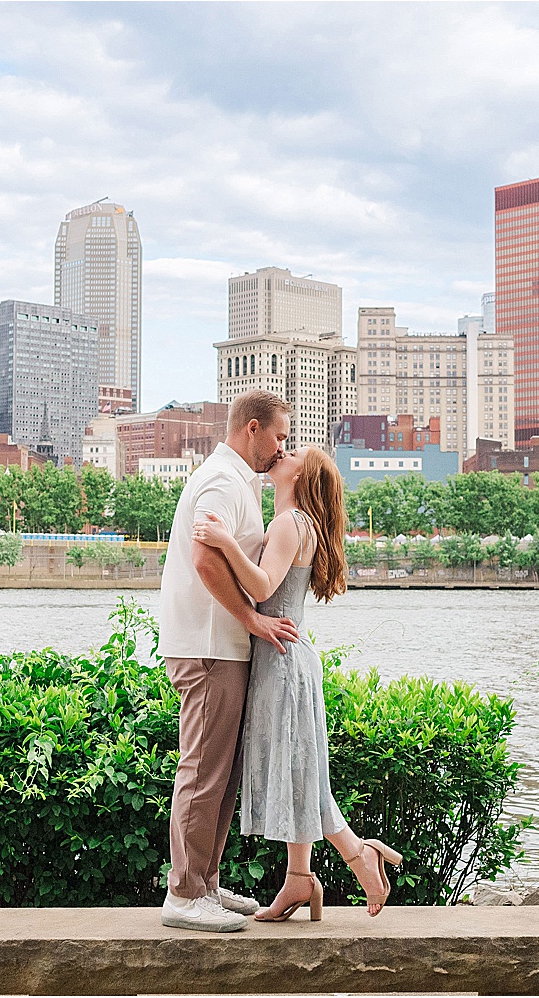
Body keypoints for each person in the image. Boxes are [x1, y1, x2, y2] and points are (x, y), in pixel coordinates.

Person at [192, 445, 402, 923]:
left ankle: (357, 855)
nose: (281, 453)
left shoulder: (289, 524)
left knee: (299, 769)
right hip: (287, 659)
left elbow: (263, 588)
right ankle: (298, 878)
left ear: (303, 475)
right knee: (298, 765)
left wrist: (224, 541)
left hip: (282, 662)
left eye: (293, 452)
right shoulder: (300, 522)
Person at [157, 390, 301, 933]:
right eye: (280, 436)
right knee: (202, 768)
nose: (281, 447)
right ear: (253, 429)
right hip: (208, 643)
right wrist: (253, 620)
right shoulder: (221, 480)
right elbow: (202, 557)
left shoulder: (238, 482)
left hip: (218, 644)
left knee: (221, 770)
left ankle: (206, 885)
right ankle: (185, 893)